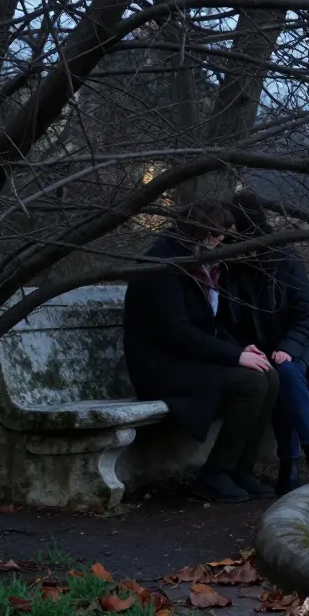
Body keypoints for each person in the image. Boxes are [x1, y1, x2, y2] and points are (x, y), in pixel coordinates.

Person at [122, 199, 279, 504]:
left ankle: (240, 469)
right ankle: (215, 474)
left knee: (268, 375)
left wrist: (239, 350)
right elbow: (177, 333)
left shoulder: (198, 263)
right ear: (199, 232)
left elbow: (208, 325)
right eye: (216, 235)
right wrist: (234, 357)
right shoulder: (162, 266)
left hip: (188, 360)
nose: (221, 242)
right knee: (251, 382)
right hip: (161, 367)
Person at [225, 191, 309, 495]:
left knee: (287, 371)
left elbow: (305, 316)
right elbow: (222, 323)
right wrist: (243, 350)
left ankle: (304, 457)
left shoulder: (285, 259)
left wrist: (288, 347)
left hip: (291, 350)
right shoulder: (227, 266)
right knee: (275, 375)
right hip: (250, 356)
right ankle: (299, 460)